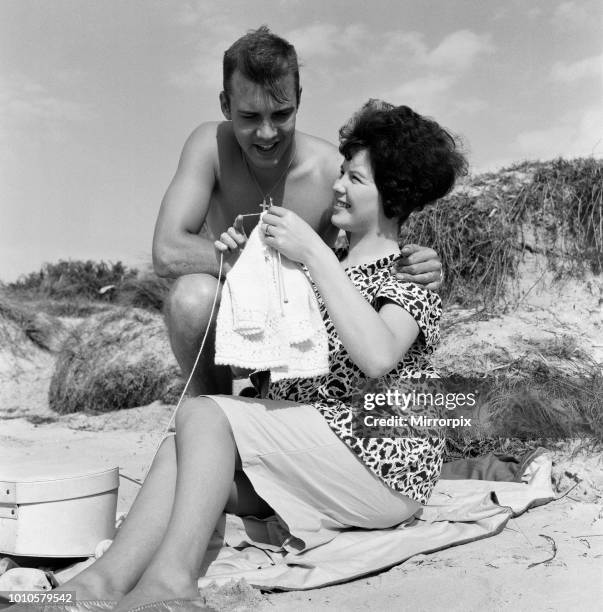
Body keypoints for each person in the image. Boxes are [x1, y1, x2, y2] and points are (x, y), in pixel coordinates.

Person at [58, 100, 467, 611]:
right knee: (179, 452)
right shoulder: (320, 268)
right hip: (314, 459)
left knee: (205, 411)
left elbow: (378, 356)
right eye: (342, 172)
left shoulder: (408, 274)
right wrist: (240, 264)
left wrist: (315, 253)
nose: (337, 185)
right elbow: (261, 356)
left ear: (396, 196)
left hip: (381, 469)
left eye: (356, 180)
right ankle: (99, 585)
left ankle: (172, 583)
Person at [152, 26, 443, 395]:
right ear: (225, 105)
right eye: (249, 117)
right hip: (233, 321)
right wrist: (250, 260)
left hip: (303, 325)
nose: (267, 133)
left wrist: (421, 262)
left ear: (299, 99)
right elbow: (166, 252)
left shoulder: (331, 172)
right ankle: (211, 407)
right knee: (190, 297)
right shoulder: (209, 145)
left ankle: (267, 409)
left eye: (281, 114)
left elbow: (371, 248)